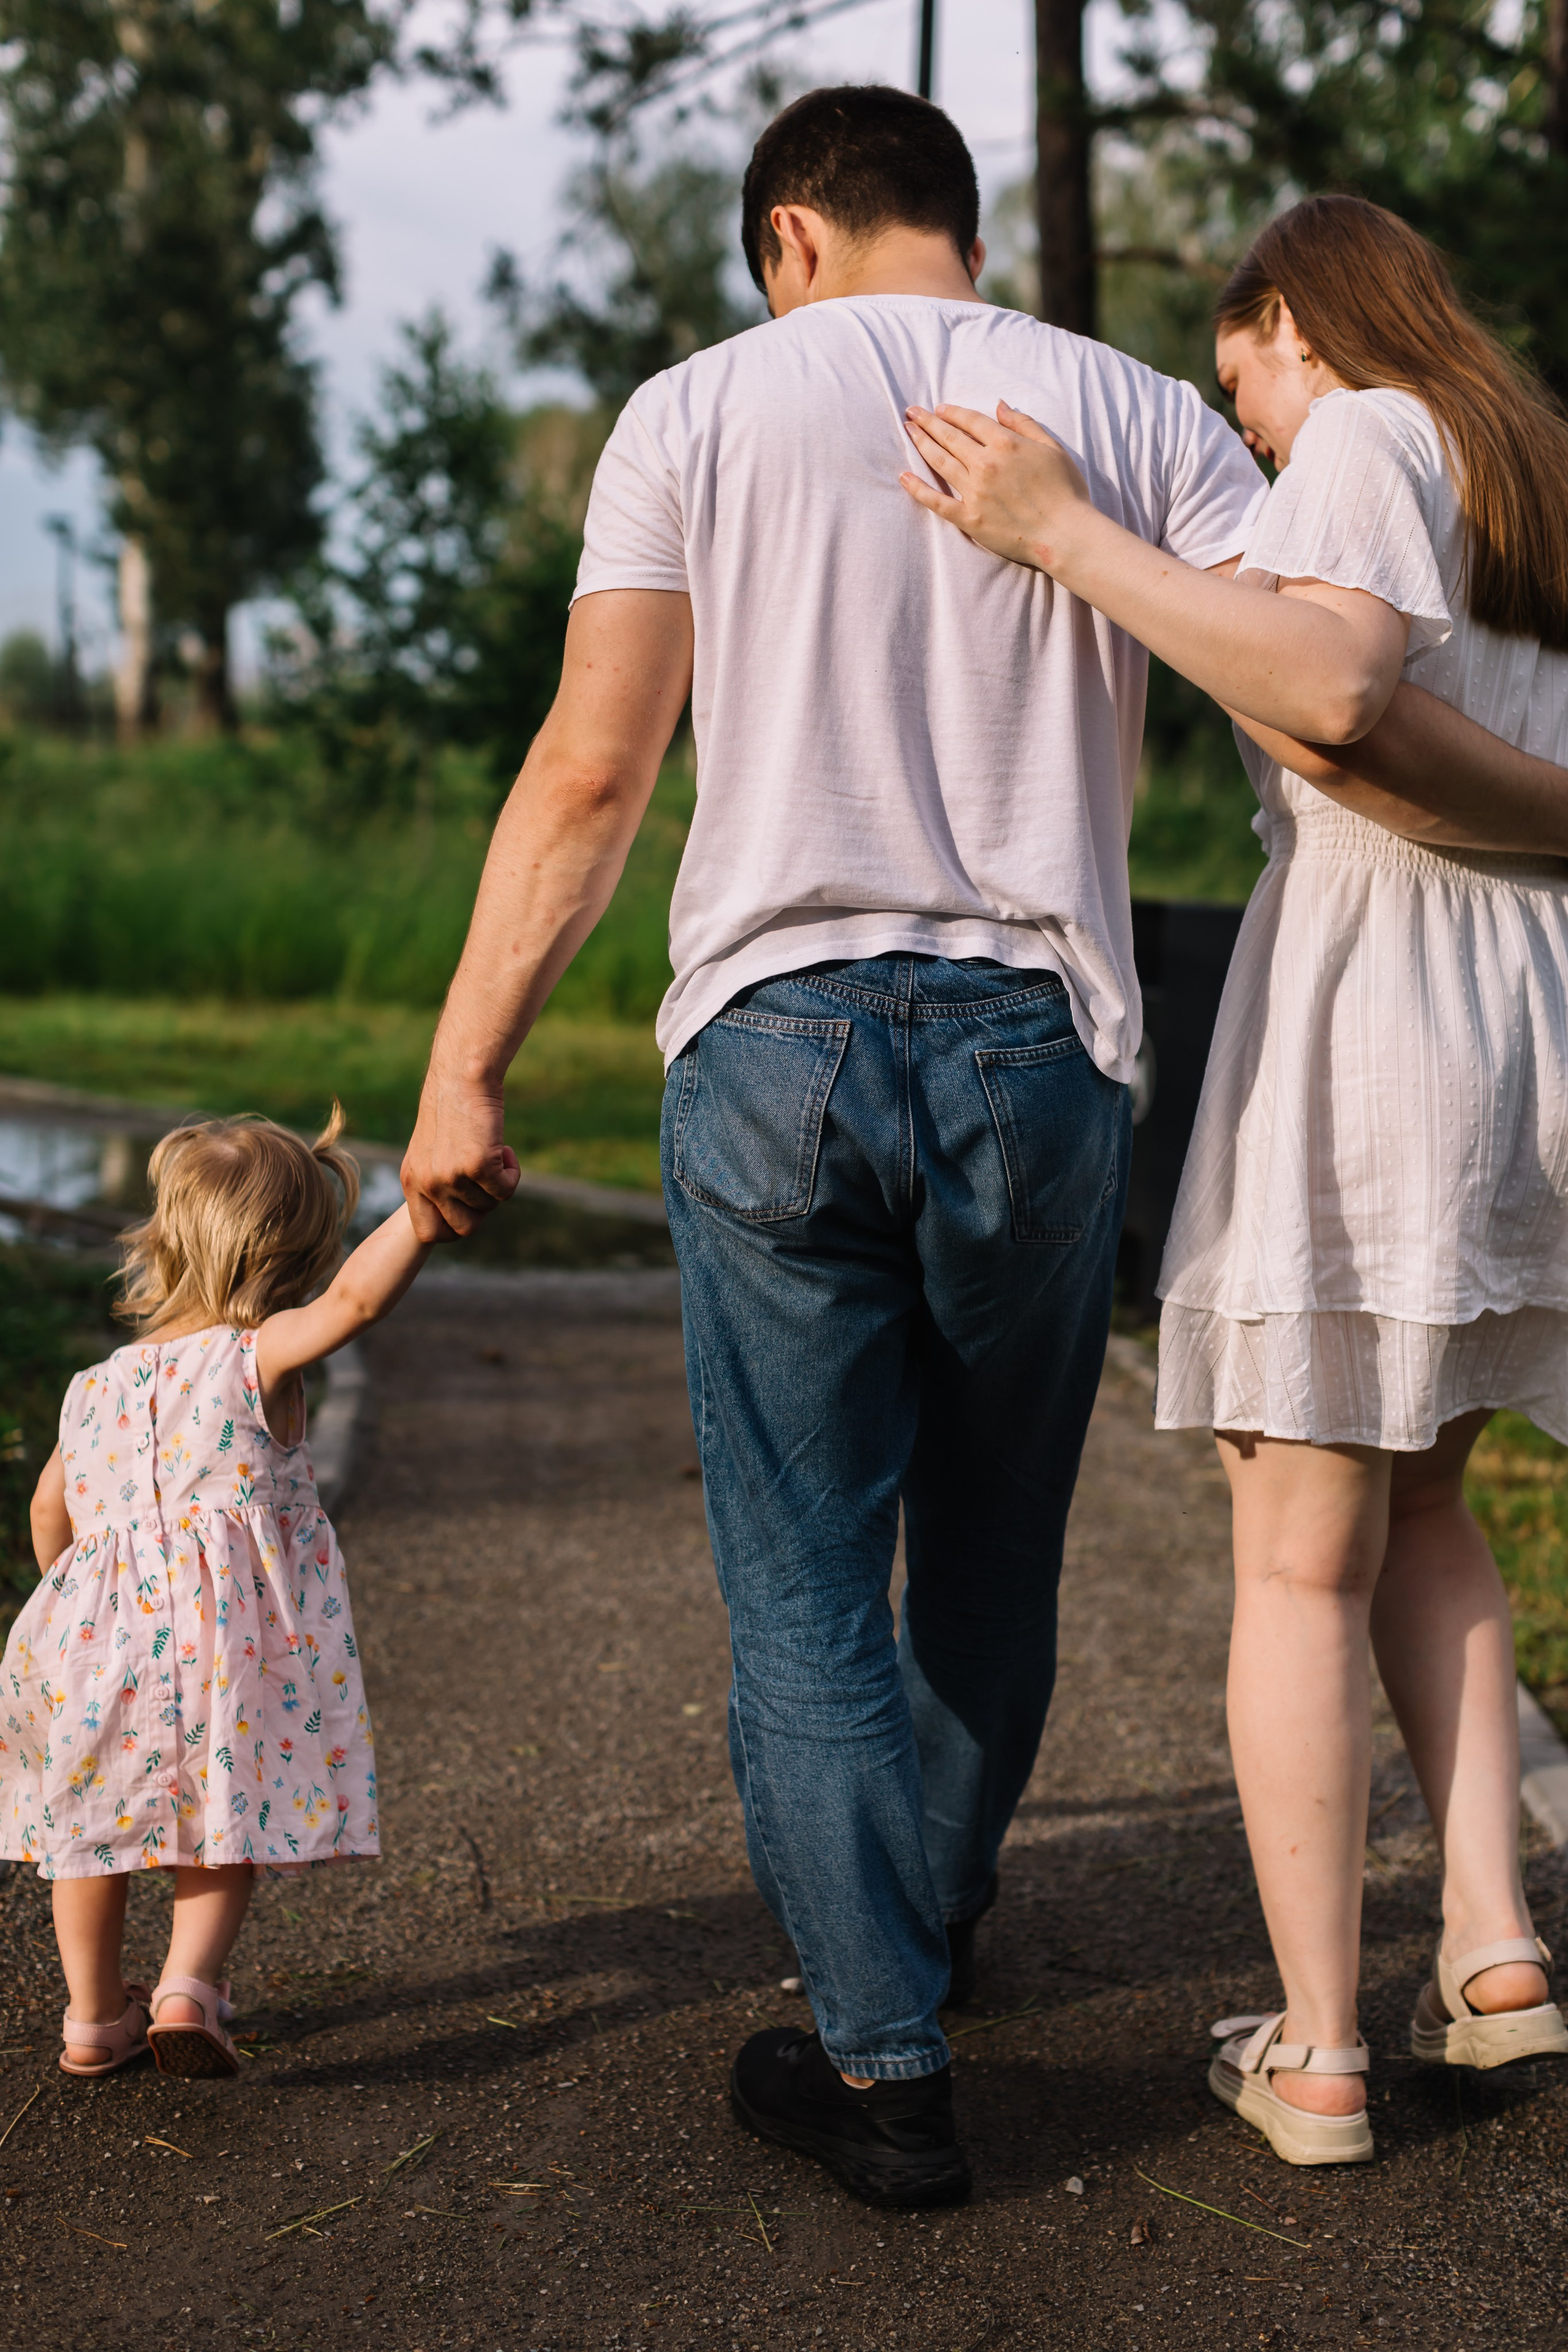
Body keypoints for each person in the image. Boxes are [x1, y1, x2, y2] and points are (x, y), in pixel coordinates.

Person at [400, 83, 1264, 2207]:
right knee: (986, 1542)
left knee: (803, 1575)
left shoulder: (692, 410)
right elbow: (1316, 690)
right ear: (947, 225)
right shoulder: (1140, 413)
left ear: (792, 235)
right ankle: (931, 1918)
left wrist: (465, 1070)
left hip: (777, 1043)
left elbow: (595, 782)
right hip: (1042, 1049)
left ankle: (883, 2062)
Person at [900, 192, 1568, 2168]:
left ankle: (1318, 2048)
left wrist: (1066, 536)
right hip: (1525, 994)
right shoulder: (1526, 468)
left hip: (1384, 993)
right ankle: (1496, 1952)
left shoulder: (1364, 427)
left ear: (1290, 318)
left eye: (1240, 386)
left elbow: (1338, 698)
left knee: (1296, 1546)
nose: (1257, 440)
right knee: (1426, 1498)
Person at [1, 1107, 435, 2078]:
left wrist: (77, 1610)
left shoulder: (94, 1385)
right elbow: (360, 1306)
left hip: (91, 1649)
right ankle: (187, 1989)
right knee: (221, 1813)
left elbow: (47, 1509)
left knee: (87, 1836)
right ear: (297, 1260)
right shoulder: (257, 1358)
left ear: (162, 1240)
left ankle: (87, 2019)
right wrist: (419, 1214)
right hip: (222, 1648)